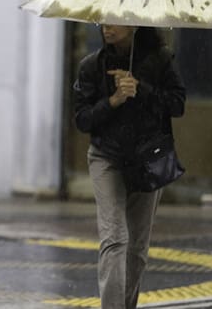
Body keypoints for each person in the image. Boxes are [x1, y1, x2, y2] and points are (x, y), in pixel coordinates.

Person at [73, 24, 186, 309]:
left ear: (133, 24)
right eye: (103, 21)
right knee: (115, 240)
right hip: (106, 158)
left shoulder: (161, 59)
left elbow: (177, 104)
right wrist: (113, 101)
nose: (107, 26)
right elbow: (82, 120)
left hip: (146, 160)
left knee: (136, 249)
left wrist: (141, 88)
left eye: (115, 20)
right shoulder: (91, 66)